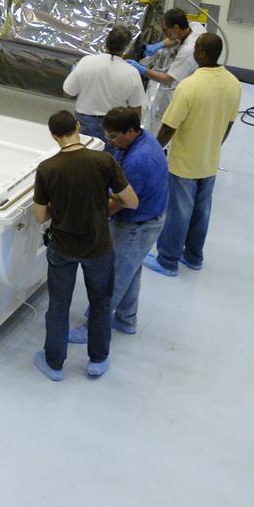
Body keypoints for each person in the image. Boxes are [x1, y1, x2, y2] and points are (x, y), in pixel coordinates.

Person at [33, 111, 138, 382]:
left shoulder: (47, 169)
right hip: (98, 247)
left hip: (63, 247)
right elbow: (132, 201)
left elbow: (40, 217)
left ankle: (54, 363)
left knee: (58, 305)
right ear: (78, 127)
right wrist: (103, 208)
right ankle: (97, 360)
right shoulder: (104, 161)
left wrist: (63, 205)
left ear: (54, 136)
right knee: (101, 302)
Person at [67, 106, 168, 344]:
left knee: (112, 277)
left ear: (131, 131)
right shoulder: (138, 141)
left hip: (137, 225)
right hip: (146, 219)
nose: (110, 141)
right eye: (107, 136)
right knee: (129, 271)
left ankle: (93, 327)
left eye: (113, 137)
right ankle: (125, 319)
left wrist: (93, 219)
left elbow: (123, 201)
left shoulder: (139, 160)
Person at [144, 33, 241, 277]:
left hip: (184, 163)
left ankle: (167, 260)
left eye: (196, 47)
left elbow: (168, 127)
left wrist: (153, 154)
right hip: (210, 160)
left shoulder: (190, 86)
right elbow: (229, 123)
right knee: (201, 212)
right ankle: (194, 256)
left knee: (178, 212)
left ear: (202, 54)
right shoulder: (233, 83)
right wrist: (212, 146)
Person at [62, 25, 146, 143]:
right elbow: (136, 109)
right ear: (126, 48)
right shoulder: (131, 72)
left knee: (85, 158)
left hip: (85, 123)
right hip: (115, 126)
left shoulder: (86, 62)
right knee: (110, 160)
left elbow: (67, 93)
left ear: (106, 42)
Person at [141, 8, 206, 134]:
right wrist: (160, 45)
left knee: (166, 119)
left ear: (176, 27)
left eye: (165, 30)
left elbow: (167, 79)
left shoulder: (188, 51)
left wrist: (143, 70)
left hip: (182, 86)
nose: (164, 34)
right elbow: (175, 38)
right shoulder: (194, 26)